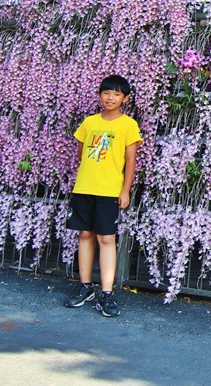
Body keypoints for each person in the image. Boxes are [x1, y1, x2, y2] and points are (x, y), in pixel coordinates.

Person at [63, 75, 142, 317]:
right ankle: (85, 286)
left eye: (116, 94)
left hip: (109, 190)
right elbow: (81, 154)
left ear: (125, 99)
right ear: (100, 95)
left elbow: (131, 161)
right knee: (85, 235)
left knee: (106, 239)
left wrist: (125, 190)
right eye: (106, 93)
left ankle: (106, 292)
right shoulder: (89, 122)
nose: (110, 97)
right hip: (85, 187)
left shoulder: (128, 125)